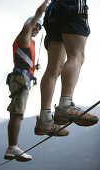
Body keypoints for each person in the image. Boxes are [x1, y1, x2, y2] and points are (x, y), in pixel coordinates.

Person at [34, 0, 99, 135]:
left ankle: (45, 120)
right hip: (72, 4)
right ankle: (65, 104)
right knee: (76, 56)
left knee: (53, 68)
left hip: (54, 9)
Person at [4, 0, 54, 162]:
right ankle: (13, 147)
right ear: (28, 24)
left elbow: (24, 57)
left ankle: (13, 146)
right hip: (20, 79)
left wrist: (33, 66)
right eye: (36, 25)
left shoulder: (30, 42)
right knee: (17, 113)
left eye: (40, 27)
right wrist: (47, 3)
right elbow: (37, 15)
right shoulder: (25, 32)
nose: (38, 28)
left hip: (22, 78)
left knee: (18, 112)